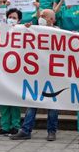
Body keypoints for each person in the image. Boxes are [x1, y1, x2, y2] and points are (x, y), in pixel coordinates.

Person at [10, 8, 59, 141]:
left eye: (44, 16)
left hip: (53, 74)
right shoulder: (34, 29)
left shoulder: (59, 32)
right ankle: (26, 130)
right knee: (32, 102)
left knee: (53, 104)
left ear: (52, 20)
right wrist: (25, 29)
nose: (41, 17)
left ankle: (52, 131)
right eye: (41, 15)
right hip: (37, 73)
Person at [0, 8, 23, 136]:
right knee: (3, 99)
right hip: (2, 70)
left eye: (14, 17)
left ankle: (15, 125)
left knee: (14, 99)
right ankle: (5, 126)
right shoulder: (0, 30)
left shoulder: (23, 31)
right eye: (10, 17)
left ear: (19, 20)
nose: (12, 19)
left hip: (17, 70)